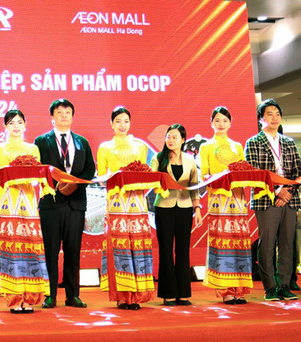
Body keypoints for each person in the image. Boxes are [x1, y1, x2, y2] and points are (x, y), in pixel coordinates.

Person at [34, 99, 96, 309]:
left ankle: (73, 295)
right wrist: (57, 185)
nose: (63, 116)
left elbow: (90, 170)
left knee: (73, 251)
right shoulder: (41, 141)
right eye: (59, 112)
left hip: (75, 204)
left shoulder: (82, 142)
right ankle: (49, 295)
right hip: (51, 202)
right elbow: (38, 169)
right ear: (52, 116)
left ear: (72, 116)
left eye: (67, 112)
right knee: (50, 251)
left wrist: (75, 185)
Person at [0, 110, 49, 313]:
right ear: (5, 126)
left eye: (19, 122)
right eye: (11, 123)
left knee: (31, 246)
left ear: (25, 125)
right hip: (8, 203)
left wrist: (28, 177)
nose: (16, 126)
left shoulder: (33, 148)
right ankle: (14, 298)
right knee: (12, 247)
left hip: (29, 202)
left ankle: (29, 298)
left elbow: (38, 174)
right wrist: (12, 177)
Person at [96, 106, 154, 310]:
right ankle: (121, 296)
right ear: (111, 124)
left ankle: (136, 295)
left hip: (137, 202)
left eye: (126, 121)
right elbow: (101, 179)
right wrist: (118, 177)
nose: (122, 125)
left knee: (137, 244)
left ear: (130, 123)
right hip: (116, 203)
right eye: (118, 121)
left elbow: (144, 173)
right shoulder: (104, 147)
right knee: (119, 246)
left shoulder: (140, 147)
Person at [245, 98, 300, 301]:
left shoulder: (289, 142)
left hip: (289, 199)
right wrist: (277, 191)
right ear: (261, 119)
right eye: (269, 114)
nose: (274, 118)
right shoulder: (253, 142)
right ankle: (270, 287)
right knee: (267, 243)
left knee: (287, 243)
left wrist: (288, 192)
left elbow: (297, 170)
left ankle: (284, 285)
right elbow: (255, 172)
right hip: (266, 198)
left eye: (277, 114)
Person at [198, 106, 252, 304]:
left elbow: (244, 170)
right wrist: (216, 178)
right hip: (218, 199)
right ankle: (226, 290)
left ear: (230, 123)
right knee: (222, 242)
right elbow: (204, 174)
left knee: (239, 241)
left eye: (225, 120)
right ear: (211, 123)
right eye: (217, 120)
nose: (221, 124)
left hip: (237, 199)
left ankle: (239, 288)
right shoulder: (206, 146)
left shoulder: (237, 146)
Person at [150, 124, 201, 306]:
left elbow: (194, 186)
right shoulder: (158, 158)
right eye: (168, 137)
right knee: (165, 250)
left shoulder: (190, 159)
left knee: (182, 250)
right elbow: (152, 180)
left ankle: (183, 293)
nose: (170, 140)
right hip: (164, 207)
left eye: (174, 137)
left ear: (183, 140)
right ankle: (168, 293)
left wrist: (197, 208)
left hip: (185, 208)